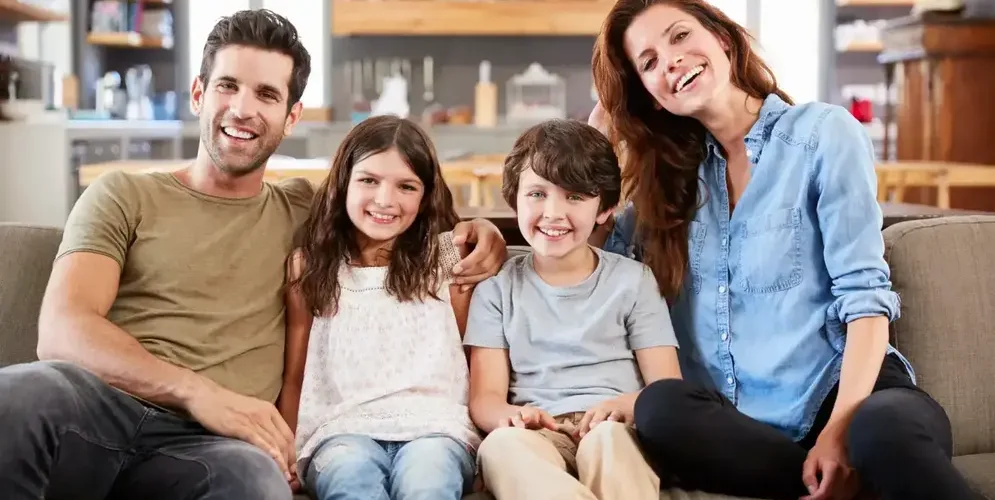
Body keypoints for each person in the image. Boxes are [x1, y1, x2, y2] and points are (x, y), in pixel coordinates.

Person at [0, 10, 507, 500]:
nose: (243, 109)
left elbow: (402, 217)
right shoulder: (122, 194)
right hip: (100, 406)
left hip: (211, 446)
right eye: (228, 85)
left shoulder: (309, 210)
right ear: (199, 94)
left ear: (291, 118)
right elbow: (62, 330)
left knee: (257, 486)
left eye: (266, 94)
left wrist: (484, 231)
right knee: (16, 394)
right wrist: (198, 392)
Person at [590, 1, 978, 499]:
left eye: (680, 36)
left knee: (883, 431)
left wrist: (837, 435)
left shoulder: (822, 134)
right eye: (648, 63)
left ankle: (846, 467)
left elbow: (866, 303)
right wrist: (599, 131)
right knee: (660, 408)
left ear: (723, 40)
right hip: (742, 434)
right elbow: (593, 260)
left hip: (849, 399)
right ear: (652, 98)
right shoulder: (663, 191)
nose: (671, 60)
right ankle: (835, 484)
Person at [464, 119, 682, 500]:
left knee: (608, 442)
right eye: (537, 194)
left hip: (619, 428)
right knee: (500, 447)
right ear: (513, 197)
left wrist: (621, 406)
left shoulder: (634, 281)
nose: (553, 212)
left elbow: (666, 389)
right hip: (538, 432)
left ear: (605, 209)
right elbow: (486, 398)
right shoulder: (495, 288)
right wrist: (511, 417)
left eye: (575, 197)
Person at [276, 115, 479, 500]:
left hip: (437, 431)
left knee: (428, 483)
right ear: (343, 183)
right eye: (369, 180)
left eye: (406, 186)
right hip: (339, 433)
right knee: (351, 482)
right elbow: (296, 376)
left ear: (425, 197)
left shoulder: (449, 259)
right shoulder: (310, 266)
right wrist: (285, 450)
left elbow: (472, 358)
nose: (385, 200)